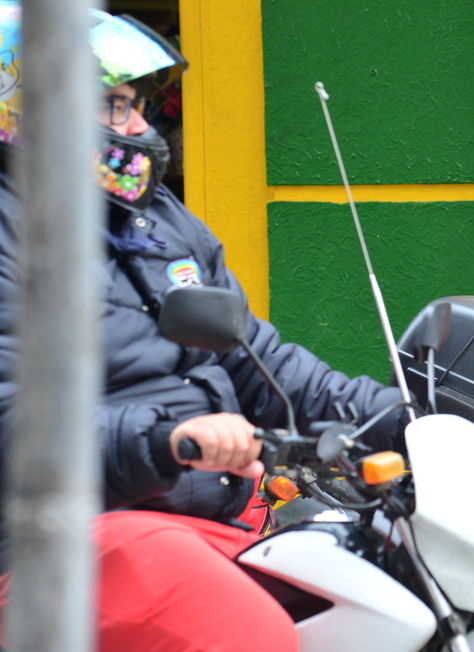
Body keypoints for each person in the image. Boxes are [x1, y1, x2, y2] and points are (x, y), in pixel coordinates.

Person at [0, 7, 406, 650]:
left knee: (383, 603)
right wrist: (166, 439)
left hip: (200, 520)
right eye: (112, 105)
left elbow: (256, 359)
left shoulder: (160, 220)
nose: (138, 127)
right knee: (252, 635)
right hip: (59, 541)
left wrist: (405, 420)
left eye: (134, 104)